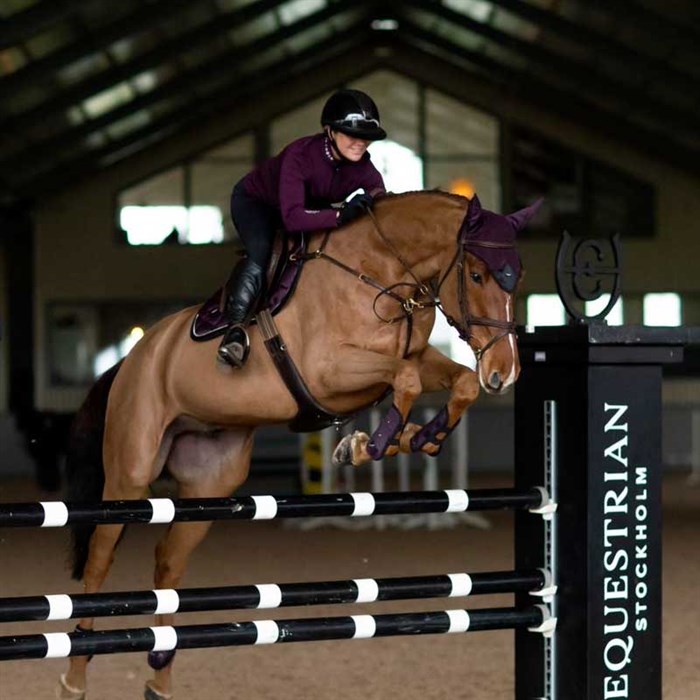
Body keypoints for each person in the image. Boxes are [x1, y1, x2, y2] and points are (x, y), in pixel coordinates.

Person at [217, 88, 388, 368]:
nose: (360, 143)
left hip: (305, 211)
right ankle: (234, 331)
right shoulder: (300, 155)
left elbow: (382, 205)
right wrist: (341, 215)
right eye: (351, 134)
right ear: (329, 131)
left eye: (366, 138)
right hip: (258, 205)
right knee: (262, 252)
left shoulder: (364, 168)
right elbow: (293, 218)